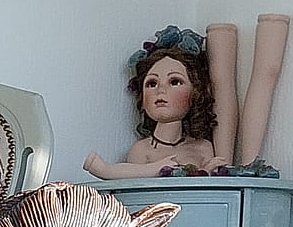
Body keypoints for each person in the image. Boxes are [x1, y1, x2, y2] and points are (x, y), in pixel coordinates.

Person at [85, 32, 227, 179]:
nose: (161, 90)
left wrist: (206, 170)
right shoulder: (141, 150)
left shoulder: (203, 147)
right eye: (152, 83)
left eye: (174, 82)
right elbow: (135, 186)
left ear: (195, 93)